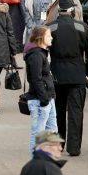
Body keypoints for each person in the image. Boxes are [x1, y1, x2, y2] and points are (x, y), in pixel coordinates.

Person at [46, 0, 88, 157]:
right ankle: (74, 148)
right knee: (76, 112)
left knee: (57, 111)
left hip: (56, 75)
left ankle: (57, 145)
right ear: (71, 10)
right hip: (77, 74)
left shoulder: (50, 27)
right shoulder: (81, 27)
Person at [24, 25, 57, 153]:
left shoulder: (41, 53)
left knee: (51, 131)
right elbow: (35, 79)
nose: (51, 38)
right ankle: (37, 165)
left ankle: (49, 161)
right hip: (40, 100)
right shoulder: (36, 55)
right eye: (49, 36)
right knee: (39, 134)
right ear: (40, 38)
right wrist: (44, 99)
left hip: (48, 98)